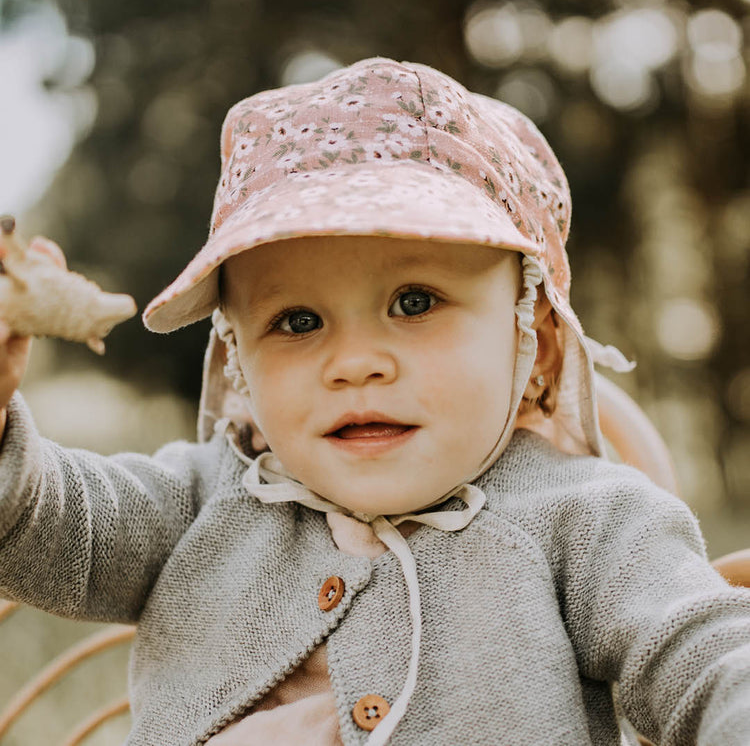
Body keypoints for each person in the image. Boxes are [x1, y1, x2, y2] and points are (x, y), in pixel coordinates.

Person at [0, 57, 749, 746]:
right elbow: (40, 525)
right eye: (297, 321)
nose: (354, 363)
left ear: (537, 345)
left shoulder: (591, 521)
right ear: (238, 362)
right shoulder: (196, 500)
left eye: (415, 300)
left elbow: (705, 652)